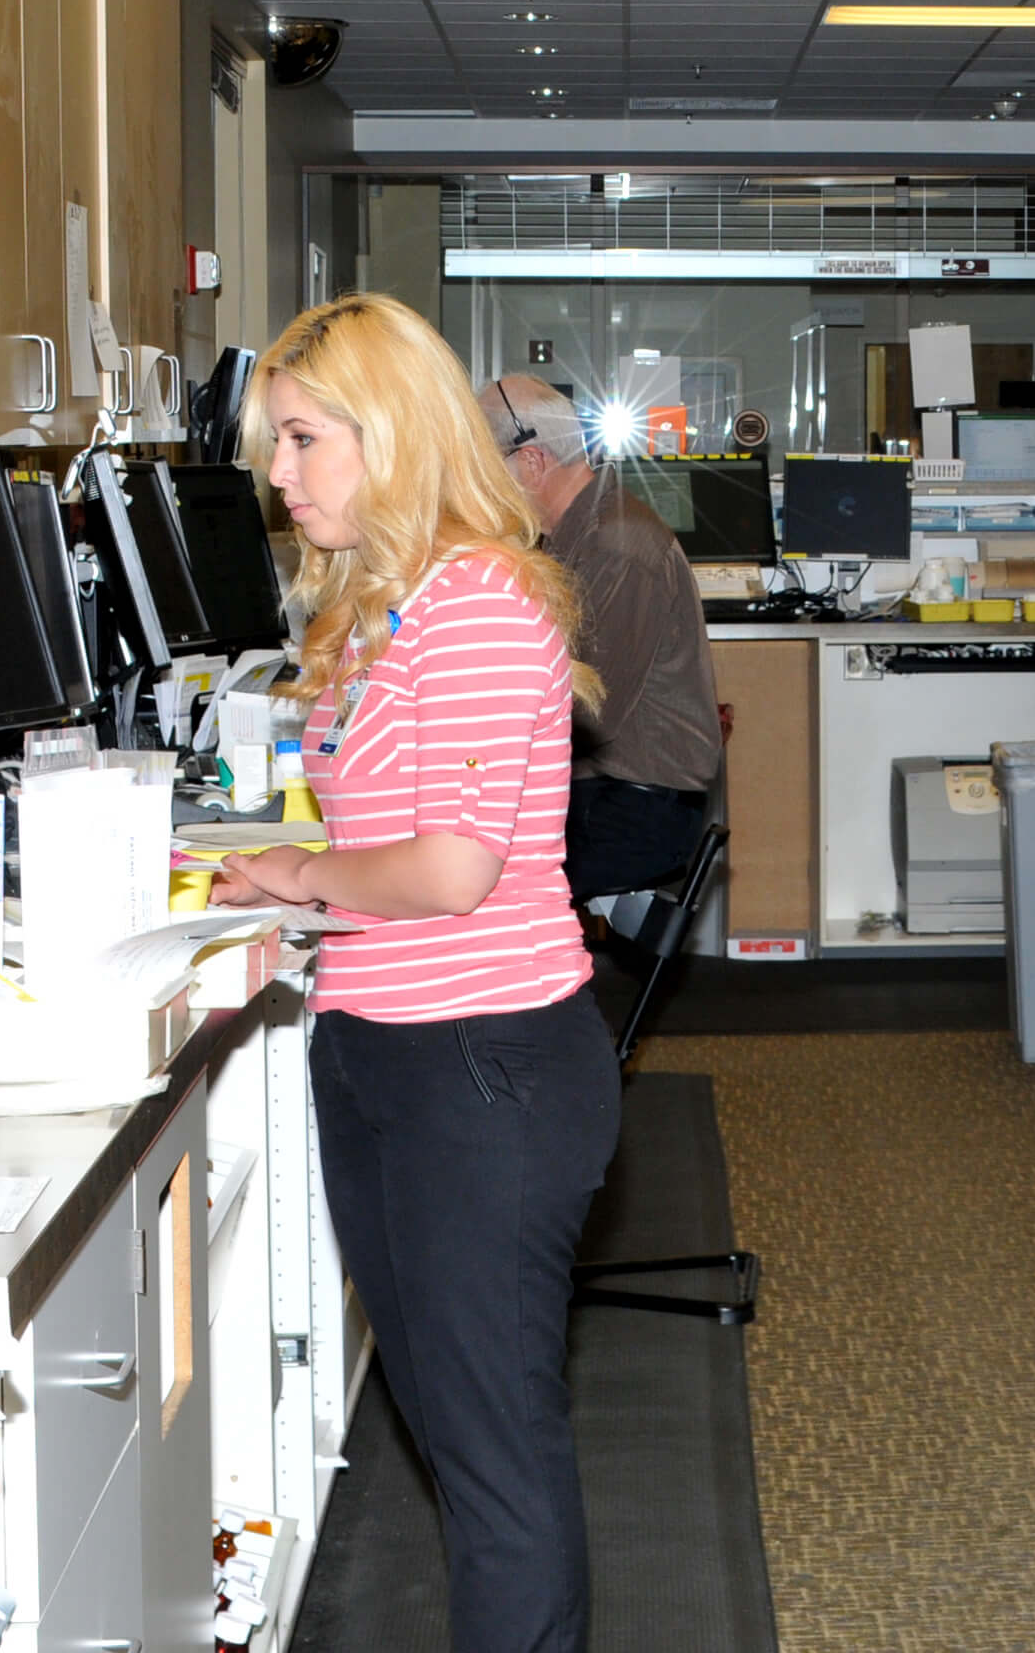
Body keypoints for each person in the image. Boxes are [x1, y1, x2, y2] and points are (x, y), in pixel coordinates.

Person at [211, 294, 615, 1653]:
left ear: (389, 438)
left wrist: (300, 877)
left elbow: (451, 870)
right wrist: (284, 869)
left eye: (304, 438)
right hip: (386, 1050)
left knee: (494, 1461)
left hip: (483, 1068)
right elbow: (380, 832)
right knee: (453, 1431)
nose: (280, 473)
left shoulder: (483, 601)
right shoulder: (384, 608)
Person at [476, 375, 725, 899]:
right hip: (604, 792)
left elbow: (587, 712)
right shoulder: (569, 537)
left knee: (469, 885)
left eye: (483, 468)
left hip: (635, 809)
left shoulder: (615, 547)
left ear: (531, 462)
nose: (479, 485)